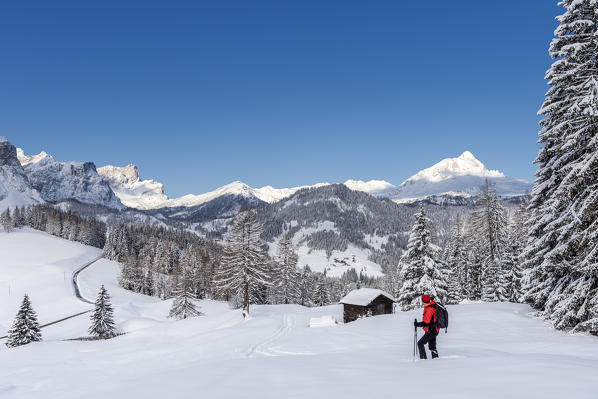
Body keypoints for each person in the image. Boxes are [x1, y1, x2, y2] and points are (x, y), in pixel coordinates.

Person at [413, 294, 439, 359]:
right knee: (432, 346)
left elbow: (426, 322)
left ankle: (423, 359)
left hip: (431, 330)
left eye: (422, 301)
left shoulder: (430, 308)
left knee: (420, 343)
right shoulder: (430, 306)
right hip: (434, 329)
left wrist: (417, 324)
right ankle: (435, 358)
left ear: (424, 301)